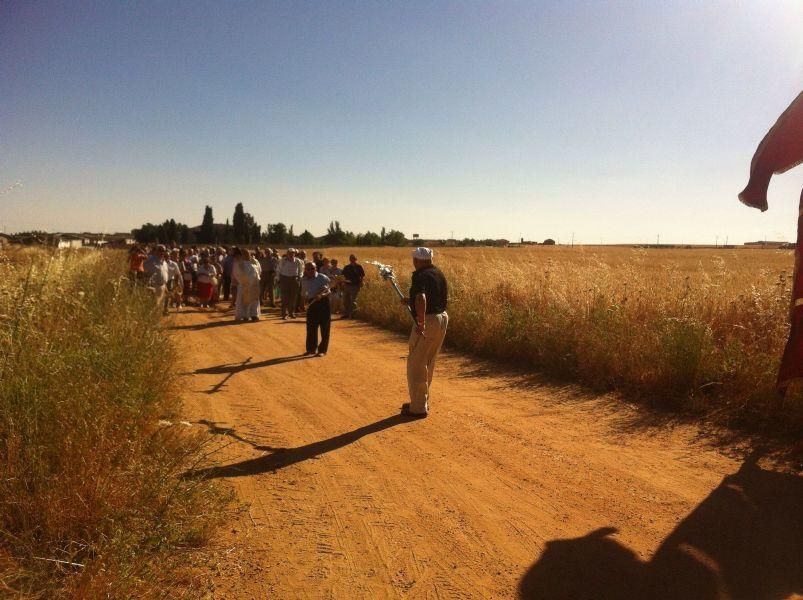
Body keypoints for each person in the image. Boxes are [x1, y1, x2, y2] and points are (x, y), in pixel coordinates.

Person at [400, 247, 448, 418]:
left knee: (416, 364)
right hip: (441, 318)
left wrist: (420, 321)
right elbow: (431, 296)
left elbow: (422, 298)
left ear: (418, 260)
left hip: (428, 319)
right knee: (428, 361)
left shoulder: (420, 275)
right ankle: (421, 401)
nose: (413, 261)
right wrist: (410, 301)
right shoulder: (437, 273)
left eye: (414, 258)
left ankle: (418, 408)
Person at [300, 262, 331, 357]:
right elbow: (303, 293)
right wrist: (302, 304)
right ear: (305, 270)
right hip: (311, 303)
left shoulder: (323, 277)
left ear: (316, 268)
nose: (310, 271)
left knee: (324, 328)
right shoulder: (304, 280)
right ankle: (311, 349)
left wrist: (322, 295)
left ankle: (322, 350)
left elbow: (328, 290)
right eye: (308, 269)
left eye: (312, 269)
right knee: (311, 327)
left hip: (323, 303)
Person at [233, 248, 262, 321]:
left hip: (254, 285)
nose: (246, 254)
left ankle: (254, 315)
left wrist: (254, 279)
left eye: (247, 253)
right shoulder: (239, 263)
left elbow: (259, 271)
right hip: (244, 285)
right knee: (244, 301)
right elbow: (236, 274)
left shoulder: (255, 261)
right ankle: (245, 315)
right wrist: (244, 281)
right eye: (244, 253)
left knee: (254, 301)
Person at [278, 248, 303, 319]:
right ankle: (284, 314)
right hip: (284, 279)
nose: (291, 254)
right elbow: (278, 270)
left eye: (293, 253)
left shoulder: (298, 261)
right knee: (284, 297)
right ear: (287, 253)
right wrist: (278, 279)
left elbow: (301, 270)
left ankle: (291, 313)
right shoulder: (282, 261)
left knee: (293, 298)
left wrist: (299, 277)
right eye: (290, 253)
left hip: (294, 279)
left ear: (294, 254)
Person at [341, 254, 365, 319]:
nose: (352, 260)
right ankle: (346, 314)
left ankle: (353, 315)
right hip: (347, 285)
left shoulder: (359, 266)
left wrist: (361, 283)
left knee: (353, 300)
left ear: (355, 259)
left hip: (355, 285)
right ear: (350, 259)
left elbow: (362, 275)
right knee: (345, 300)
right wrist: (343, 283)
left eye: (353, 259)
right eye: (351, 259)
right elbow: (342, 276)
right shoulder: (346, 267)